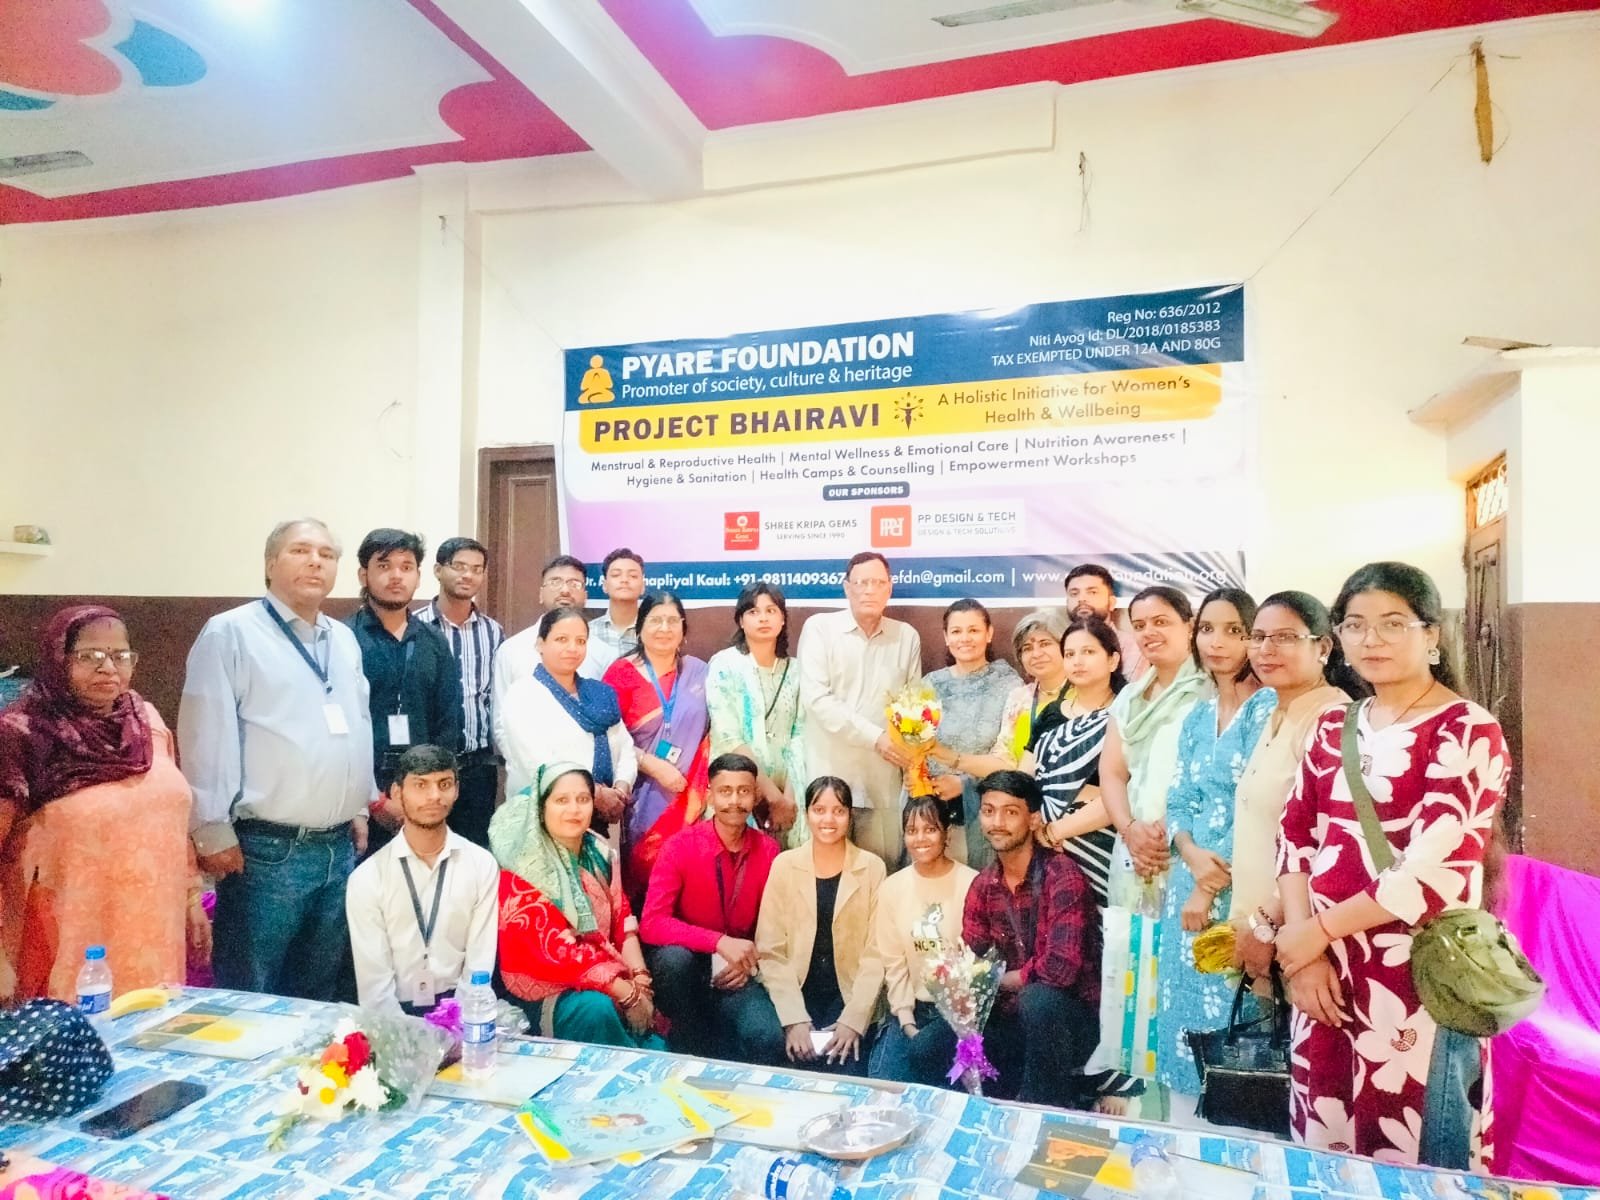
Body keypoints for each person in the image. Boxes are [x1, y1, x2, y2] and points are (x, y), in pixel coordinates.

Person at [1275, 562, 1507, 1170]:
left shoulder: (1466, 729)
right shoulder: (1332, 725)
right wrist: (1305, 954)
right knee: (1324, 1140)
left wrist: (1312, 933)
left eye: (1392, 623)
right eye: (1354, 625)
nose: (1371, 639)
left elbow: (1433, 873)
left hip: (1415, 978)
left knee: (1411, 1148)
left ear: (1432, 634)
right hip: (1323, 975)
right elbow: (1295, 834)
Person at [178, 518, 374, 999]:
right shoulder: (231, 633)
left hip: (337, 847)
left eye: (326, 554)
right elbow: (205, 733)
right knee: (252, 995)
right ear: (270, 564)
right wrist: (210, 828)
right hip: (266, 851)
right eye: (300, 550)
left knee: (316, 995)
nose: (315, 562)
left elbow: (358, 723)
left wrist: (360, 805)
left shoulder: (342, 639)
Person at [0, 606, 201, 1003]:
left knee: (150, 1026)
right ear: (58, 659)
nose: (108, 668)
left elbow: (171, 816)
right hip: (67, 937)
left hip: (154, 929)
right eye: (89, 656)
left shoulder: (145, 720)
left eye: (120, 655)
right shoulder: (21, 735)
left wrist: (192, 896)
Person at [1153, 588, 1275, 1109]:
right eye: (1207, 629)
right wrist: (1187, 851)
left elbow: (1259, 807)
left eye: (1234, 631)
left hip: (1241, 887)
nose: (1217, 642)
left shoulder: (1268, 707)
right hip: (1187, 878)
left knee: (1232, 1021)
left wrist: (1207, 886)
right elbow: (1179, 795)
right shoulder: (1198, 716)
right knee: (1181, 1011)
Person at [1095, 586, 1206, 1115]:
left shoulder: (1210, 690)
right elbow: (1113, 772)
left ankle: (1185, 1111)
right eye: (1139, 624)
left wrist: (1167, 833)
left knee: (1181, 980)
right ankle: (1142, 1103)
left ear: (1189, 625)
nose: (1149, 633)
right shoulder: (1131, 696)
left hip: (1188, 858)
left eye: (1161, 621)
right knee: (1135, 980)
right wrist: (1129, 828)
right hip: (1134, 854)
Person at [491, 762, 663, 1048]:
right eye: (562, 800)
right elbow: (554, 951)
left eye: (583, 799)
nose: (574, 809)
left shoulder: (600, 851)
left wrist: (641, 981)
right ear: (541, 808)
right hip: (550, 987)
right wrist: (626, 992)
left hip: (609, 975)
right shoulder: (524, 867)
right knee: (596, 1009)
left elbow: (623, 920)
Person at [1228, 592, 1352, 981]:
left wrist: (1267, 921)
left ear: (1323, 647)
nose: (1267, 649)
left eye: (1285, 637)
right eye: (1258, 637)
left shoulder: (1332, 719)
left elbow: (1330, 840)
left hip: (1305, 937)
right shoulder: (1273, 709)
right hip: (1264, 934)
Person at [962, 771, 1101, 1107]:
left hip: (1070, 1022)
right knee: (930, 1045)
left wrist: (1000, 979)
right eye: (989, 811)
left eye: (1010, 812)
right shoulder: (983, 885)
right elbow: (975, 960)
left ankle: (1043, 1110)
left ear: (1034, 819)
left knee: (1036, 1000)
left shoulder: (1061, 874)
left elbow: (1060, 970)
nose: (997, 822)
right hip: (1010, 1018)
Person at [638, 754, 784, 1062]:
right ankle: (687, 1045)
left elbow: (778, 924)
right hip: (689, 968)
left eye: (743, 791)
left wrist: (751, 962)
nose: (734, 801)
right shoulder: (680, 846)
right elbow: (652, 923)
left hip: (740, 967)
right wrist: (718, 942)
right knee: (674, 961)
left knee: (767, 1037)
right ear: (709, 795)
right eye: (725, 791)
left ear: (755, 794)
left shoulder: (769, 851)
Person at [344, 745, 498, 1015]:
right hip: (393, 1014)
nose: (434, 796)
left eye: (444, 784)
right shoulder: (368, 877)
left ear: (457, 790)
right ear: (397, 793)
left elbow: (479, 967)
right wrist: (404, 1034)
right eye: (420, 785)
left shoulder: (481, 864)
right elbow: (375, 989)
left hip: (463, 1009)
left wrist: (457, 1024)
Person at [754, 777, 887, 1076]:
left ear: (850, 815)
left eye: (838, 811)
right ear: (807, 813)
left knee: (844, 1064)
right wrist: (793, 1019)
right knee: (788, 1067)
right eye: (819, 810)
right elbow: (771, 950)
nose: (828, 819)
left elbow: (876, 954)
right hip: (797, 989)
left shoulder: (872, 867)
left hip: (849, 993)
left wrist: (854, 1019)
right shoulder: (784, 865)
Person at [796, 553, 922, 866]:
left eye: (878, 583)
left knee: (881, 870)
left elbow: (913, 708)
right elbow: (817, 700)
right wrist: (875, 738)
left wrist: (914, 766)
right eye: (861, 582)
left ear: (890, 588)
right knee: (825, 873)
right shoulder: (820, 629)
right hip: (829, 777)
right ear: (847, 587)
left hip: (882, 783)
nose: (869, 590)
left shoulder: (906, 637)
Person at [601, 591, 711, 904]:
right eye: (655, 620)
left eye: (673, 621)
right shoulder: (620, 673)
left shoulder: (700, 672)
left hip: (692, 797)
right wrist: (652, 765)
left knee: (689, 887)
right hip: (640, 795)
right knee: (644, 887)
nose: (664, 628)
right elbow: (607, 737)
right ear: (640, 628)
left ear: (684, 629)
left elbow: (715, 731)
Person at [346, 529, 463, 806]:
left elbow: (448, 722)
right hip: (358, 795)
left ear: (418, 577)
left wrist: (434, 788)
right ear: (363, 575)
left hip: (424, 792)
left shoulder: (434, 640)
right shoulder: (344, 638)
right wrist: (373, 801)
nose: (396, 576)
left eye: (406, 567)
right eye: (384, 566)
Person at [866, 796, 978, 1085]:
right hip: (912, 1010)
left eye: (930, 829)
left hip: (958, 1016)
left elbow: (978, 963)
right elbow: (894, 964)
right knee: (887, 1084)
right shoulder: (892, 888)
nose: (920, 839)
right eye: (911, 830)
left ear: (946, 834)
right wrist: (907, 1022)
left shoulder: (972, 883)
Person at [494, 607, 636, 824]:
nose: (572, 648)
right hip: (545, 817)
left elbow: (625, 748)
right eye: (562, 639)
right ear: (540, 644)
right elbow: (539, 765)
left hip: (605, 817)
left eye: (580, 641)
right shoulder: (523, 695)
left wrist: (620, 790)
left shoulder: (600, 693)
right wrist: (596, 795)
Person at [417, 537, 505, 849]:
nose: (468, 575)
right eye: (459, 566)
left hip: (478, 767)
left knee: (474, 852)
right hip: (427, 764)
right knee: (426, 848)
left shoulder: (493, 631)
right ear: (438, 570)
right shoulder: (415, 627)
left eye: (477, 569)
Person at [919, 600, 1019, 869]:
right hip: (931, 811)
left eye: (973, 630)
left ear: (989, 633)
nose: (965, 638)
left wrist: (963, 784)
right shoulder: (929, 684)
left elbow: (1012, 759)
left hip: (986, 813)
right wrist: (916, 774)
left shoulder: (1010, 686)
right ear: (945, 637)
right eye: (956, 631)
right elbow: (915, 744)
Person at [1034, 617, 1126, 905]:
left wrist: (1057, 830)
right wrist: (1036, 827)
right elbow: (1026, 779)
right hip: (1047, 847)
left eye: (1088, 652)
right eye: (1070, 654)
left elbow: (1127, 792)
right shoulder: (1051, 713)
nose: (1077, 661)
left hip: (1105, 843)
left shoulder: (1128, 713)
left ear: (1113, 660)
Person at [706, 582, 804, 846]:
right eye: (753, 611)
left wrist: (788, 798)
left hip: (790, 794)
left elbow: (802, 735)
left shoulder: (797, 670)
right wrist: (771, 795)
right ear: (740, 620)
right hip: (738, 790)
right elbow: (729, 736)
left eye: (771, 611)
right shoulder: (724, 665)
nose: (763, 618)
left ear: (783, 619)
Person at [942, 609, 1070, 789]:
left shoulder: (1084, 694)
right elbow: (1004, 760)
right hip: (1024, 796)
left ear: (1066, 648)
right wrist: (947, 756)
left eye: (1045, 644)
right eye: (1027, 648)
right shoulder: (1020, 697)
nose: (1036, 654)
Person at [492, 554, 589, 711]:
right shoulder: (512, 649)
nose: (565, 590)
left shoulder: (603, 653)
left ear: (585, 596)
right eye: (555, 582)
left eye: (574, 584)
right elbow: (500, 716)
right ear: (541, 594)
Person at [1064, 563, 1144, 681]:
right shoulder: (1057, 643)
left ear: (1111, 603)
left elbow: (1130, 691)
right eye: (1074, 594)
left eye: (1092, 592)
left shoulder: (1132, 647)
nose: (1082, 599)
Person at [585, 548, 646, 678]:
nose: (624, 580)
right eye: (616, 575)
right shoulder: (587, 632)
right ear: (604, 585)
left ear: (643, 586)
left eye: (633, 576)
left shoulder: (653, 632)